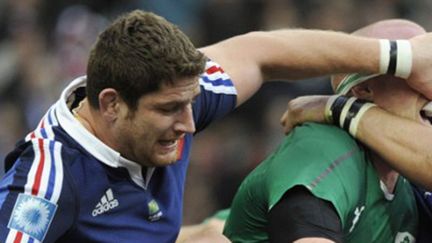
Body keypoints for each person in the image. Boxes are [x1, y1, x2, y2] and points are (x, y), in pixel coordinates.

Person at [1, 10, 432, 242]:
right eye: (170, 110)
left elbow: (264, 51)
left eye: (192, 104)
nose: (190, 124)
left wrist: (402, 59)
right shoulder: (44, 186)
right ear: (112, 104)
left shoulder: (176, 90)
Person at [223, 19, 425, 242]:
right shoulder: (324, 147)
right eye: (415, 74)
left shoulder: (410, 183)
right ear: (363, 89)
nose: (430, 88)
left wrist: (339, 108)